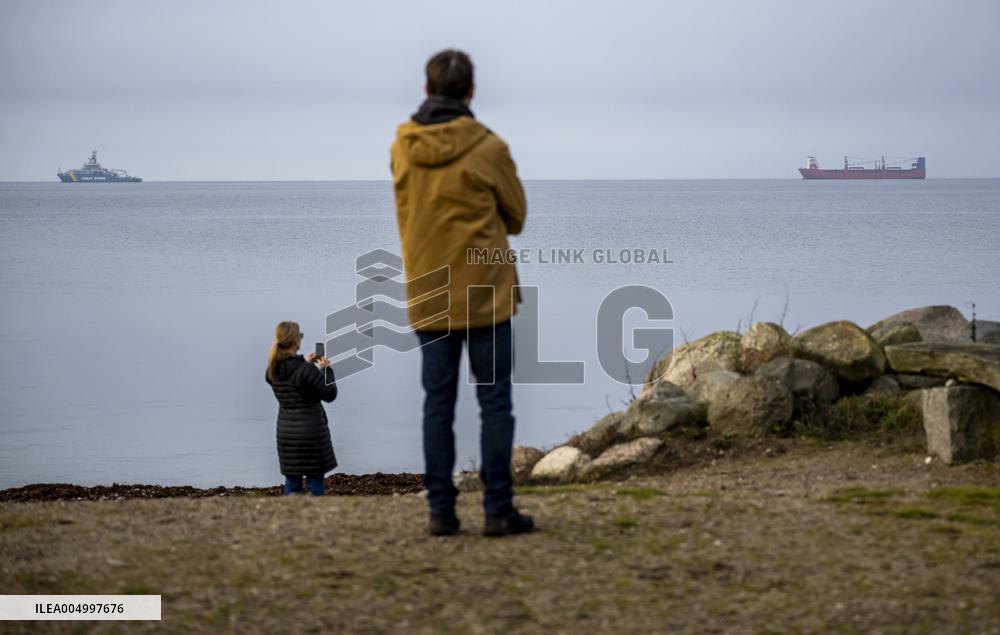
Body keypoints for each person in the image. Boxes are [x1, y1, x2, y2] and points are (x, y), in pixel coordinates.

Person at [391, 49, 532, 537]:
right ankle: (497, 509)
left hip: (429, 289)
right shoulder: (489, 147)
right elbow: (516, 217)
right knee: (494, 403)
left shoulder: (403, 145)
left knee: (437, 405)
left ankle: (441, 512)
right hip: (485, 292)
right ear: (471, 91)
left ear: (427, 90)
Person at [265, 321, 338, 496]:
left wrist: (304, 363)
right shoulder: (306, 371)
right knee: (314, 482)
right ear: (296, 341)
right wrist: (325, 370)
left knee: (292, 481)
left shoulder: (273, 370)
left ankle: (291, 518)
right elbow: (330, 394)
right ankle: (313, 520)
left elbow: (292, 379)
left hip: (286, 434)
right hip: (311, 434)